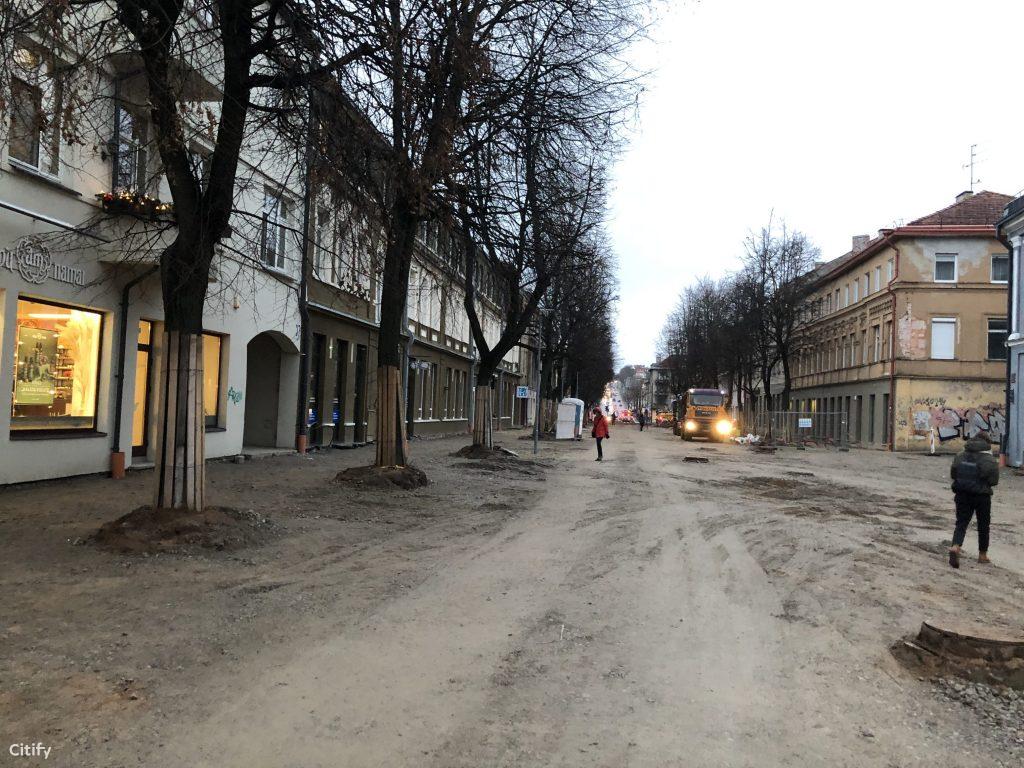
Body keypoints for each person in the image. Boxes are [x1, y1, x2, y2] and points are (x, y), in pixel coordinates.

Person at [948, 431, 999, 569]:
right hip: (982, 496)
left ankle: (956, 546)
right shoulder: (989, 460)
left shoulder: (960, 455)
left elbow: (954, 474)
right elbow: (994, 481)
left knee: (961, 523)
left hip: (962, 494)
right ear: (987, 444)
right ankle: (982, 555)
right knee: (983, 525)